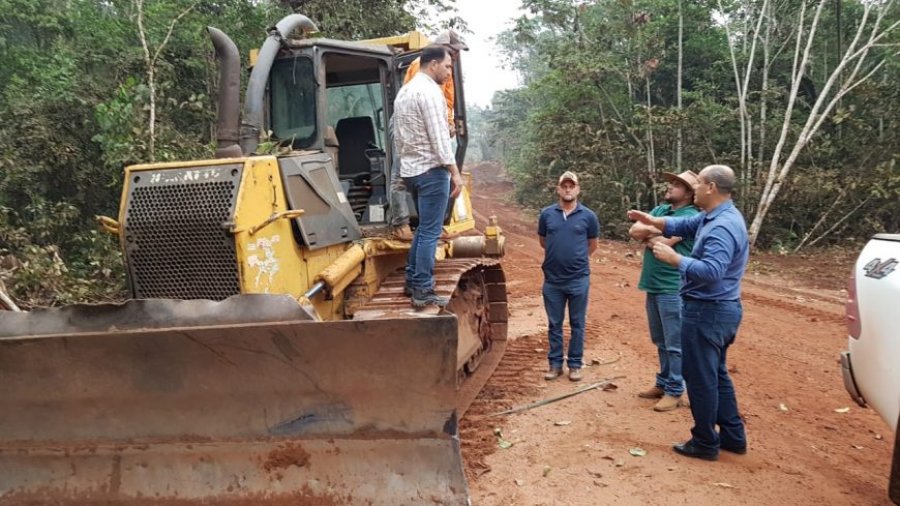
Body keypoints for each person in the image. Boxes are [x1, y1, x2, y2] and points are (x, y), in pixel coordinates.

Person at [626, 165, 749, 461]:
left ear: (711, 188)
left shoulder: (722, 226)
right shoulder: (713, 216)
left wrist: (676, 259)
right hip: (717, 310)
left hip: (708, 311)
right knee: (716, 375)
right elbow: (684, 226)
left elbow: (713, 271)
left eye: (699, 183)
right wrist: (653, 220)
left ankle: (705, 442)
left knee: (701, 379)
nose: (695, 188)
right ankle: (732, 436)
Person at [393, 45, 464, 308]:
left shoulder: (405, 91)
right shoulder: (430, 93)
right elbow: (439, 139)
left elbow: (399, 137)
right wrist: (455, 173)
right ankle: (422, 289)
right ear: (433, 64)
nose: (449, 73)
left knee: (422, 229)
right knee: (430, 232)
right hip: (432, 172)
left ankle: (412, 280)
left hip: (412, 171)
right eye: (447, 67)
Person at [629, 170, 700, 412]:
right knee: (660, 339)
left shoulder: (692, 216)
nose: (669, 186)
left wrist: (653, 235)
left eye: (676, 184)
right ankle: (663, 382)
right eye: (671, 182)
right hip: (653, 284)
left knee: (675, 342)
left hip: (673, 286)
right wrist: (657, 233)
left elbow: (659, 244)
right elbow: (634, 232)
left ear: (689, 193)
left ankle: (675, 390)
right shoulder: (661, 211)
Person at [390, 31, 468, 241]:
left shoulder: (445, 70)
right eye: (453, 51)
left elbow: (447, 101)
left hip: (431, 119)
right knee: (399, 173)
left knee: (427, 230)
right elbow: (427, 105)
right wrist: (453, 171)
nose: (456, 56)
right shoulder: (422, 68)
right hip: (413, 121)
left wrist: (449, 123)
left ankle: (431, 224)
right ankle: (401, 222)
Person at [538, 171, 600, 382]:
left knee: (577, 323)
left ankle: (575, 364)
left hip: (578, 280)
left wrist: (577, 259)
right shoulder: (547, 214)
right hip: (552, 280)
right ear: (558, 189)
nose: (567, 189)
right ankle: (555, 365)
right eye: (563, 186)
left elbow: (592, 244)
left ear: (577, 189)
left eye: (571, 186)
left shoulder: (588, 216)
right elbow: (543, 240)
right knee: (554, 324)